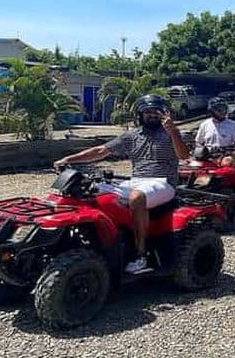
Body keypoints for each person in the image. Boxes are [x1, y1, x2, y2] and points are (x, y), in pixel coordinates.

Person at [53, 94, 190, 274]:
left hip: (163, 183)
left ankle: (140, 254)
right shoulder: (132, 136)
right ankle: (99, 240)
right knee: (90, 190)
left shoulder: (170, 134)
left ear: (164, 113)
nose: (152, 115)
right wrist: (69, 159)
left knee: (137, 197)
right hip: (135, 181)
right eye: (147, 112)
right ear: (140, 115)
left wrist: (174, 132)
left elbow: (184, 156)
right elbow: (101, 150)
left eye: (157, 111)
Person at [194, 97, 235, 166]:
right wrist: (203, 151)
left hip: (225, 156)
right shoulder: (204, 124)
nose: (223, 112)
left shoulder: (232, 125)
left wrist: (226, 150)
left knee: (227, 163)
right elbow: (198, 142)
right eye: (220, 110)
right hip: (207, 157)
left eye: (224, 109)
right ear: (212, 111)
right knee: (194, 166)